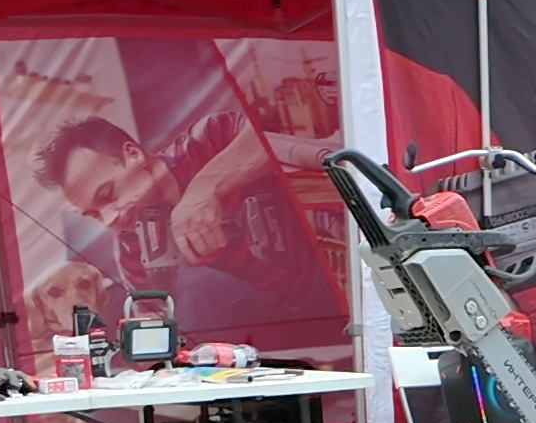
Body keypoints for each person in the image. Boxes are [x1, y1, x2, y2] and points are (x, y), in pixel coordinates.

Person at [26, 111, 329, 350]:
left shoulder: (207, 141)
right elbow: (162, 336)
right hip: (257, 350)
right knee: (195, 288)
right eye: (94, 214)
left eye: (108, 195)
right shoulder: (133, 251)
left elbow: (265, 141)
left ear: (133, 154)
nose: (109, 219)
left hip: (333, 295)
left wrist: (204, 188)